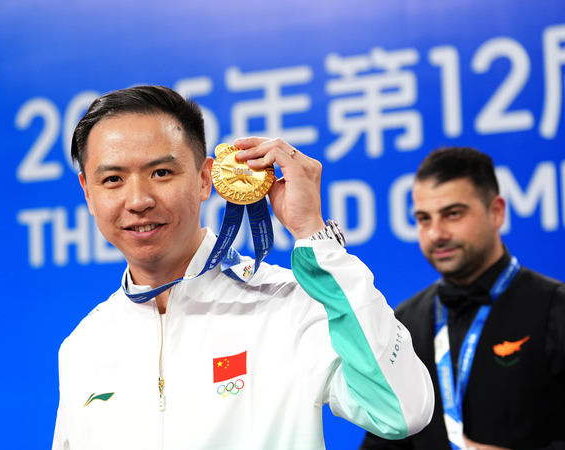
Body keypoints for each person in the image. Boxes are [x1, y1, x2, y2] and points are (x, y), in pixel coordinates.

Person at [53, 85, 434, 449]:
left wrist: (315, 236)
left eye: (161, 173)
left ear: (205, 178)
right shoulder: (84, 345)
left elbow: (401, 410)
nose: (137, 200)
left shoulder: (289, 305)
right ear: (88, 192)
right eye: (113, 179)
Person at [360, 147, 565, 450]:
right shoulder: (404, 321)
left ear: (496, 211)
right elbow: (384, 440)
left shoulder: (555, 308)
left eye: (453, 214)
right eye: (423, 219)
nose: (436, 234)